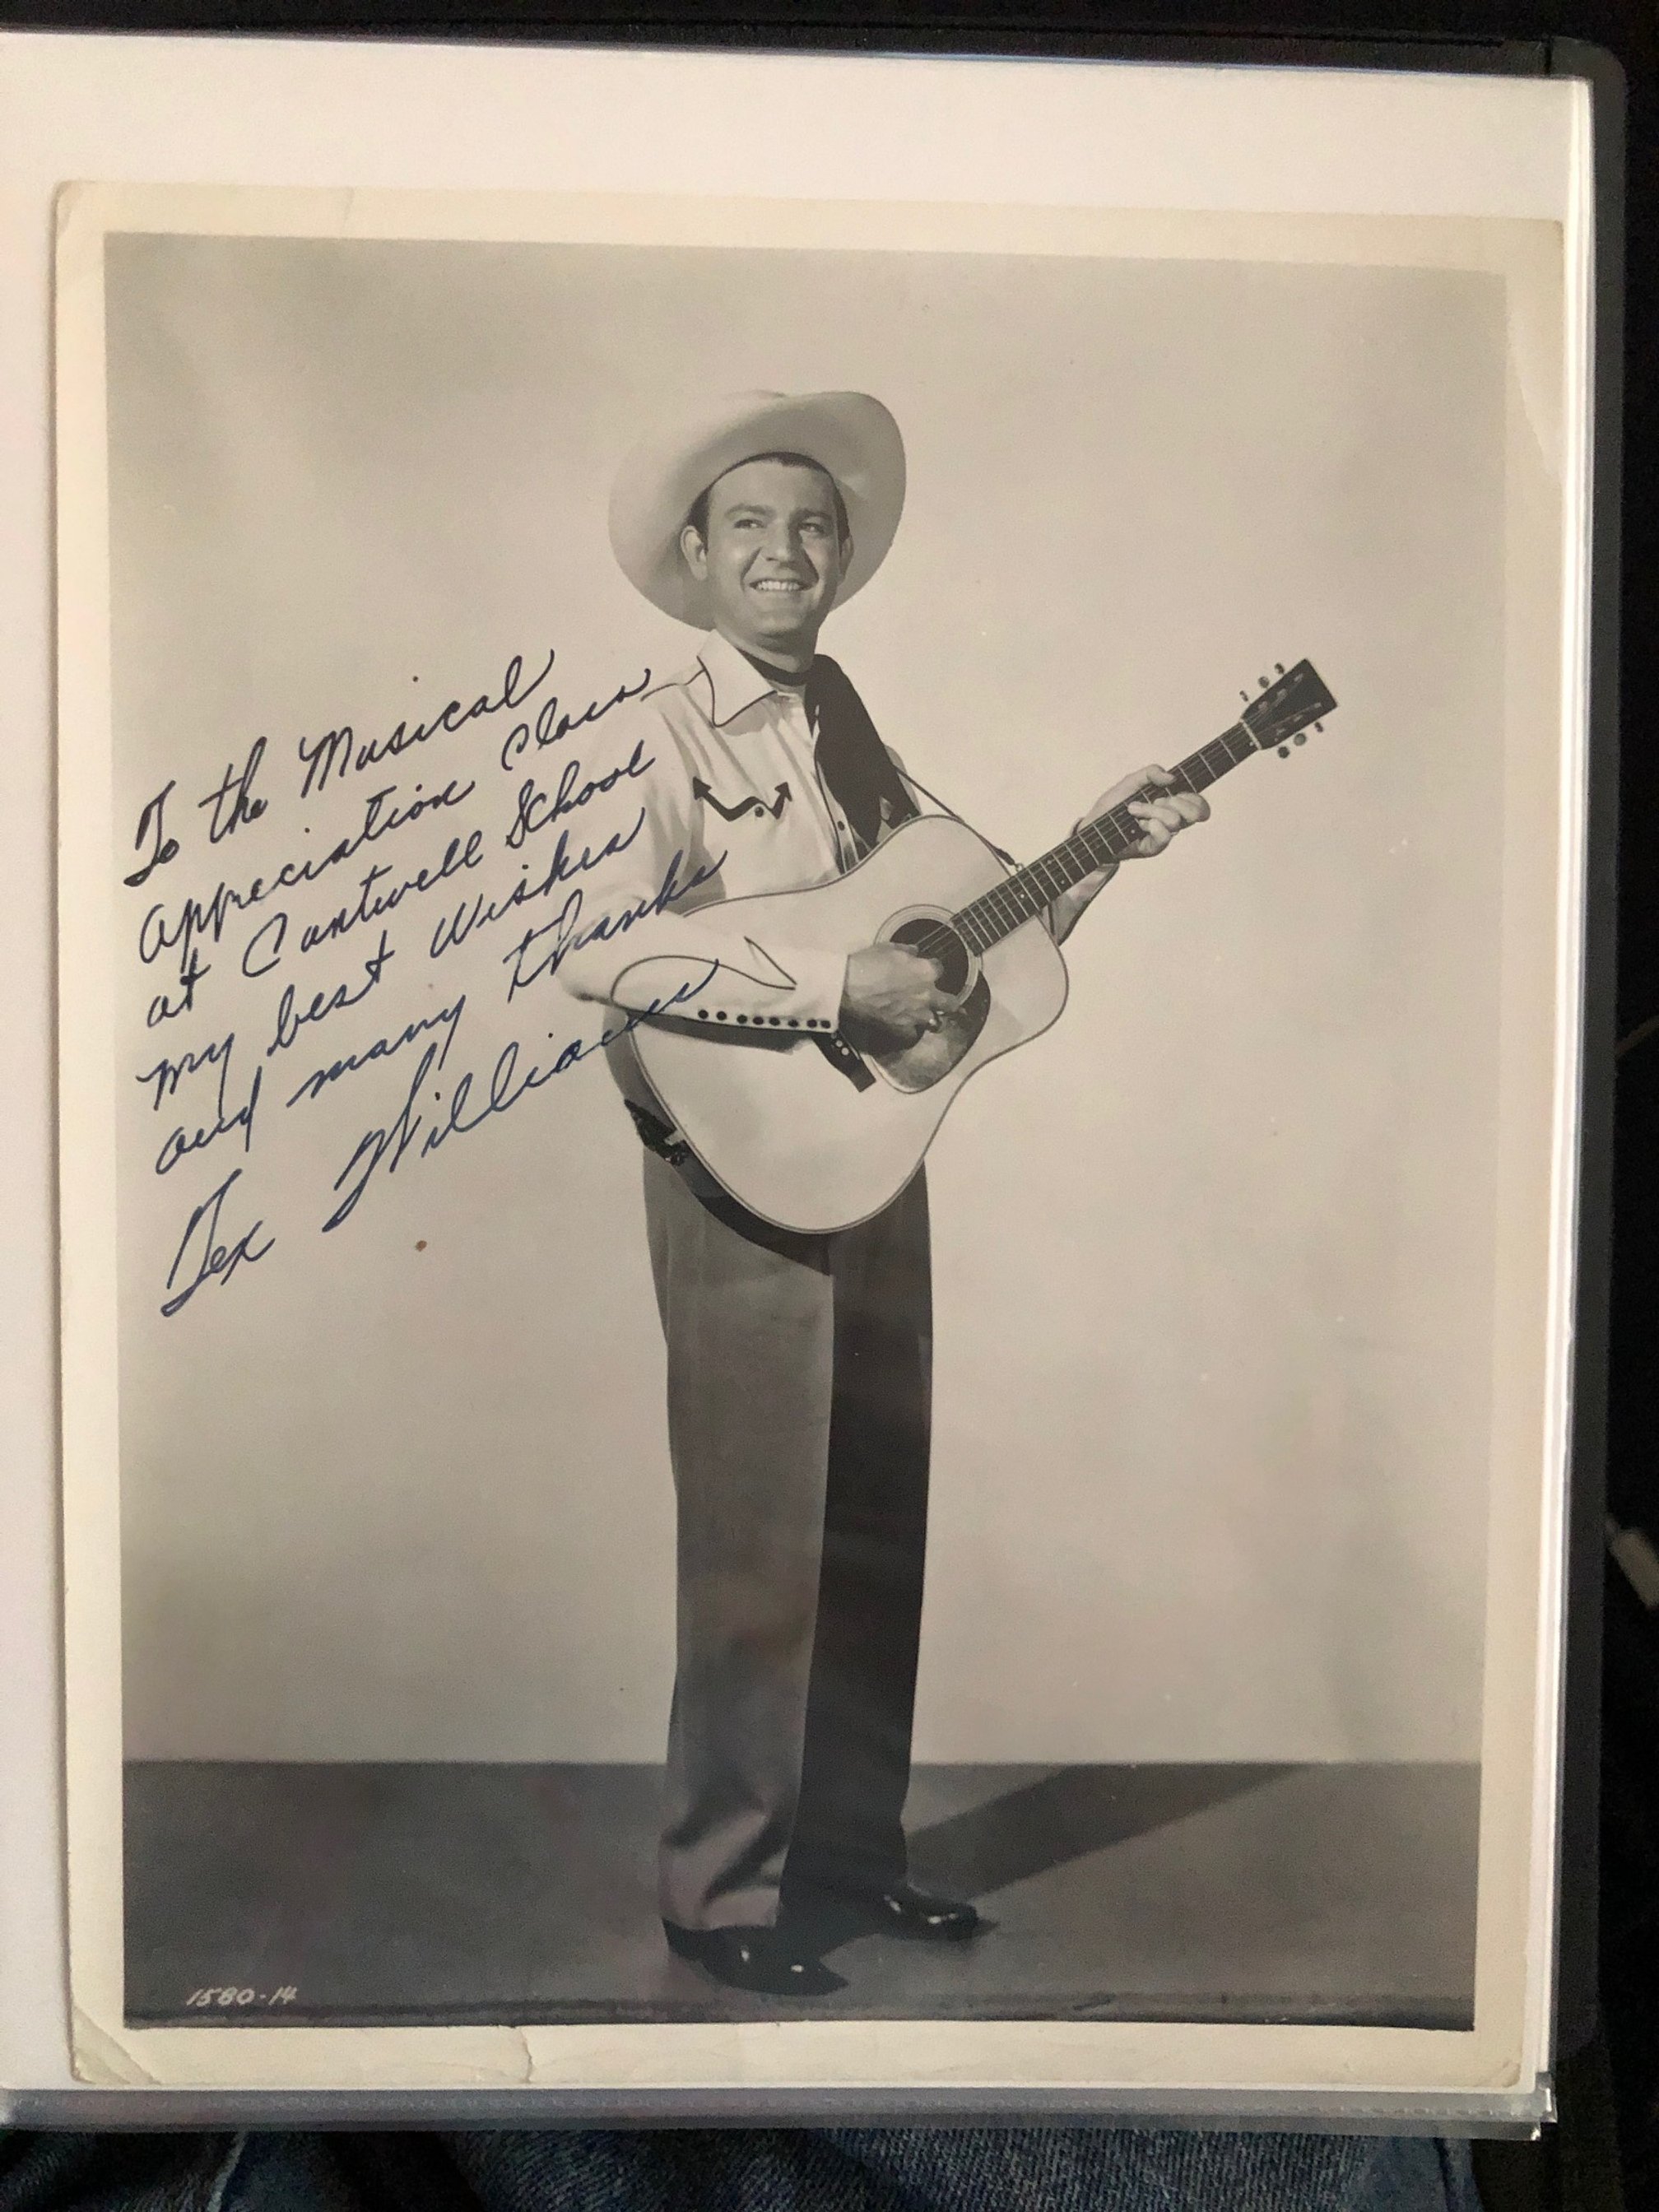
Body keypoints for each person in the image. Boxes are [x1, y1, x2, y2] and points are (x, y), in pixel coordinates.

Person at [560, 390, 1206, 1996]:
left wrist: (1103, 845)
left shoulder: (844, 719)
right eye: (751, 527)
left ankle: (847, 1862)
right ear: (696, 558)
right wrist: (826, 988)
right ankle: (722, 1896)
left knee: (871, 1526)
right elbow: (595, 946)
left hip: (874, 1151)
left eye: (814, 528)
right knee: (761, 1545)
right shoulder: (651, 732)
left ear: (841, 557)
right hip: (736, 1167)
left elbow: (980, 925)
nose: (787, 553)